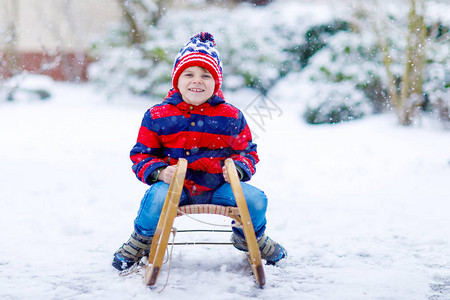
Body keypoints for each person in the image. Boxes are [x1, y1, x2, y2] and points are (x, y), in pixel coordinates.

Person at [112, 32, 287, 271]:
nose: (198, 81)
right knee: (155, 199)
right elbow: (141, 154)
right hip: (175, 187)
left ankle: (250, 237)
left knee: (255, 200)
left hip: (219, 186)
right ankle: (142, 239)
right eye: (189, 74)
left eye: (206, 75)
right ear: (177, 80)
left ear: (217, 83)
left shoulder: (231, 116)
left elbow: (247, 151)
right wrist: (160, 172)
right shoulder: (157, 115)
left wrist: (237, 168)